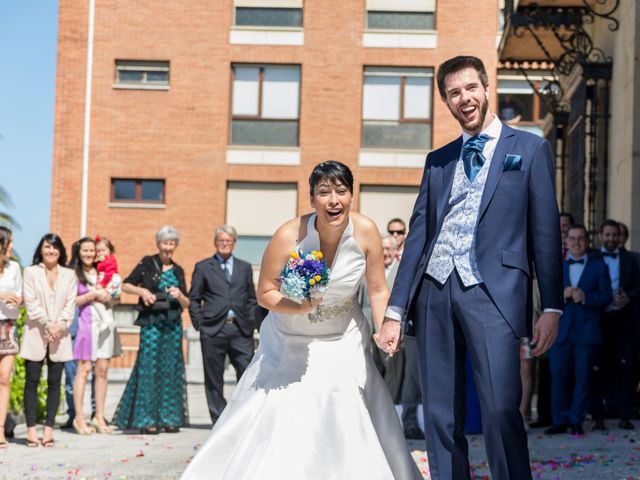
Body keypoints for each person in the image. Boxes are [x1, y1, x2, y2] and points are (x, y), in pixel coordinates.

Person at [377, 56, 563, 480]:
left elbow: (546, 233)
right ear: (446, 101)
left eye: (470, 89)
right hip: (434, 292)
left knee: (500, 410)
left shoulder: (529, 149)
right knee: (440, 417)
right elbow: (419, 238)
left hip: (493, 292)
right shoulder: (438, 159)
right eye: (454, 93)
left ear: (486, 88)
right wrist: (394, 310)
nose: (465, 99)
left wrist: (552, 305)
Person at [181, 161, 422, 480]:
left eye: (341, 191)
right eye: (324, 193)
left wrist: (385, 326)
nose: (333, 200)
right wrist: (297, 308)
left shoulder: (366, 232)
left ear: (352, 195)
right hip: (290, 335)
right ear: (312, 199)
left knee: (342, 395)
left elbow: (378, 289)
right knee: (286, 410)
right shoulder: (288, 235)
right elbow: (265, 291)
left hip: (342, 334)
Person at [112, 225, 190, 434]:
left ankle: (169, 418)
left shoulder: (178, 270)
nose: (168, 247)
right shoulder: (147, 263)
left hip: (172, 325)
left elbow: (187, 303)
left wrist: (179, 295)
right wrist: (143, 291)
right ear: (158, 244)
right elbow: (126, 285)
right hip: (151, 324)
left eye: (172, 243)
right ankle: (147, 420)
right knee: (148, 368)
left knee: (170, 369)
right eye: (165, 243)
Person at [189, 225, 258, 425]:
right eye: (221, 241)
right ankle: (218, 418)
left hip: (240, 329)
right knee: (213, 377)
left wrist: (251, 321)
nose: (225, 244)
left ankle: (243, 416)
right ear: (215, 243)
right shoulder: (203, 266)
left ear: (234, 243)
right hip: (213, 329)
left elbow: (251, 298)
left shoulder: (244, 267)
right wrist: (199, 324)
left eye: (228, 241)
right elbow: (194, 298)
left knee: (247, 373)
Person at [546, 225, 611, 435]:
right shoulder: (559, 267)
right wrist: (561, 295)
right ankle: (559, 420)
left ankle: (576, 420)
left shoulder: (599, 267)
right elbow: (546, 298)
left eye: (580, 239)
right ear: (566, 242)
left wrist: (586, 298)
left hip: (587, 332)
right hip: (561, 330)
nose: (576, 242)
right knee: (558, 376)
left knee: (583, 378)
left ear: (587, 241)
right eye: (572, 238)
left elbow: (606, 298)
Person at [20, 233, 77, 447]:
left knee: (55, 383)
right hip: (36, 332)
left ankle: (49, 430)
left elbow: (70, 305)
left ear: (60, 251)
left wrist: (60, 326)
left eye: (55, 247)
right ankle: (31, 430)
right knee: (31, 382)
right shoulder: (31, 272)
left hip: (60, 336)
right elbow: (31, 303)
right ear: (40, 250)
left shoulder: (70, 275)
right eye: (47, 247)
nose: (51, 251)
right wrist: (47, 324)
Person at [590, 219, 640, 430]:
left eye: (614, 235)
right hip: (599, 320)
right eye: (607, 235)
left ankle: (624, 415)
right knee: (598, 368)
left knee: (625, 370)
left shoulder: (631, 259)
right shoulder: (592, 258)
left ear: (619, 237)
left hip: (623, 321)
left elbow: (639, 286)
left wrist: (627, 297)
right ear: (601, 236)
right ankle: (598, 417)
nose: (611, 239)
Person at [68, 237, 120, 434]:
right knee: (84, 369)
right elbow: (72, 300)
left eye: (93, 250)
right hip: (86, 324)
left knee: (102, 370)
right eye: (86, 250)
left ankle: (99, 416)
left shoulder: (104, 271)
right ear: (79, 252)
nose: (90, 254)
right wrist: (93, 295)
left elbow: (117, 298)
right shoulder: (74, 274)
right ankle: (79, 418)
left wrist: (109, 297)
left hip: (105, 324)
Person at [0, 227, 22, 448]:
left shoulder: (14, 267)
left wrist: (18, 299)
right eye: (9, 242)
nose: (12, 246)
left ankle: (0, 430)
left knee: (4, 377)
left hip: (9, 325)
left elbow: (20, 294)